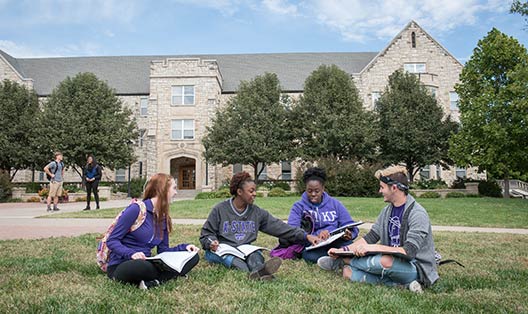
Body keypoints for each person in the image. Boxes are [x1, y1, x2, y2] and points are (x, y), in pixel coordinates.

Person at [317, 165, 438, 293]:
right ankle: (404, 286)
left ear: (394, 188)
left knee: (385, 260)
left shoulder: (417, 214)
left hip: (415, 268)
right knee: (348, 273)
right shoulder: (387, 211)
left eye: (382, 187)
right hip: (392, 263)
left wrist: (373, 248)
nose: (380, 191)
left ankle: (342, 262)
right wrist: (342, 251)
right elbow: (370, 237)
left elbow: (409, 252)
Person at [199, 171, 319, 280]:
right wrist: (211, 242)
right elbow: (206, 234)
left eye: (255, 190)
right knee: (237, 262)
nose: (255, 194)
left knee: (255, 257)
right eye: (251, 191)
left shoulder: (257, 212)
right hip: (222, 250)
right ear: (239, 192)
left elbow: (280, 227)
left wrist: (305, 236)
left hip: (245, 249)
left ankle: (261, 272)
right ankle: (254, 274)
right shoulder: (220, 209)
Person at [106, 173, 200, 289]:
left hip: (148, 261)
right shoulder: (136, 209)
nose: (176, 193)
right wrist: (132, 254)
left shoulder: (164, 218)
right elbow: (112, 240)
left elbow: (163, 250)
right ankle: (168, 276)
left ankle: (153, 281)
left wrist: (184, 248)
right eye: (174, 188)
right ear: (162, 189)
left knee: (193, 257)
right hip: (124, 263)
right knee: (142, 267)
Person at [284, 167, 359, 263]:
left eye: (317, 191)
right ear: (305, 189)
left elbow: (350, 225)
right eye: (309, 191)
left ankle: (335, 256)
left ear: (323, 188)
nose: (313, 194)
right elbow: (292, 230)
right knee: (309, 256)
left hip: (336, 241)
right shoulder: (298, 206)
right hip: (314, 244)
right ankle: (338, 257)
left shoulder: (335, 204)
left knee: (352, 246)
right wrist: (312, 236)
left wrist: (350, 234)